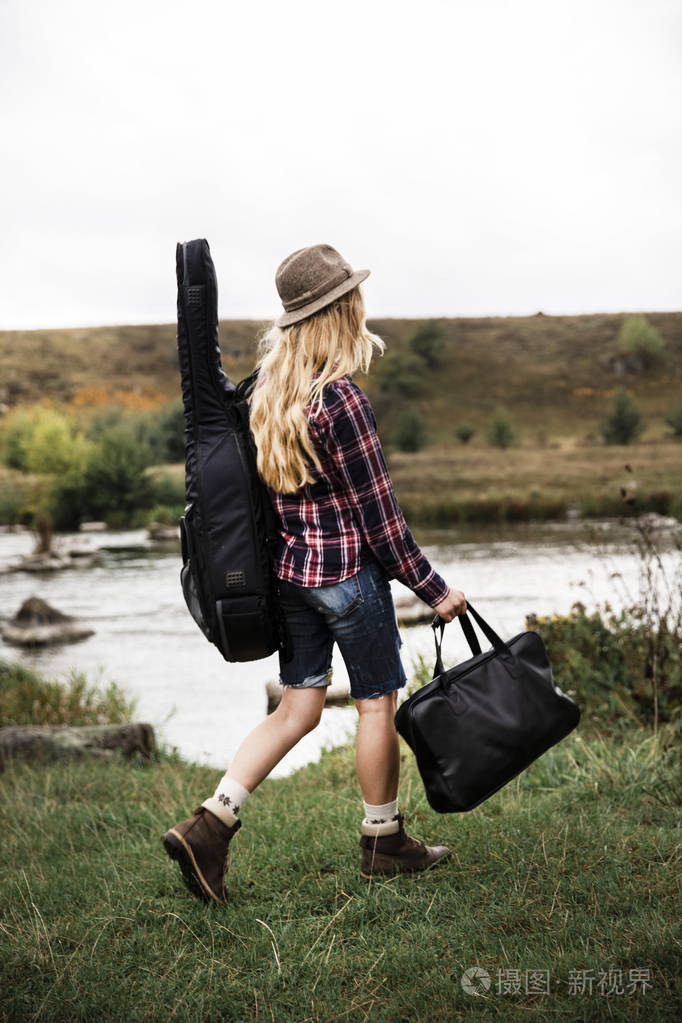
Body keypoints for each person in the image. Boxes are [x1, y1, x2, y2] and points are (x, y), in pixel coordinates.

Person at [162, 243, 467, 904]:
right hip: (350, 580)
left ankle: (209, 825)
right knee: (376, 700)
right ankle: (383, 839)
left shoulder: (269, 394)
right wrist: (436, 591)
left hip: (293, 577)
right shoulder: (342, 402)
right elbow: (381, 519)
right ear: (341, 312)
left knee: (296, 707)